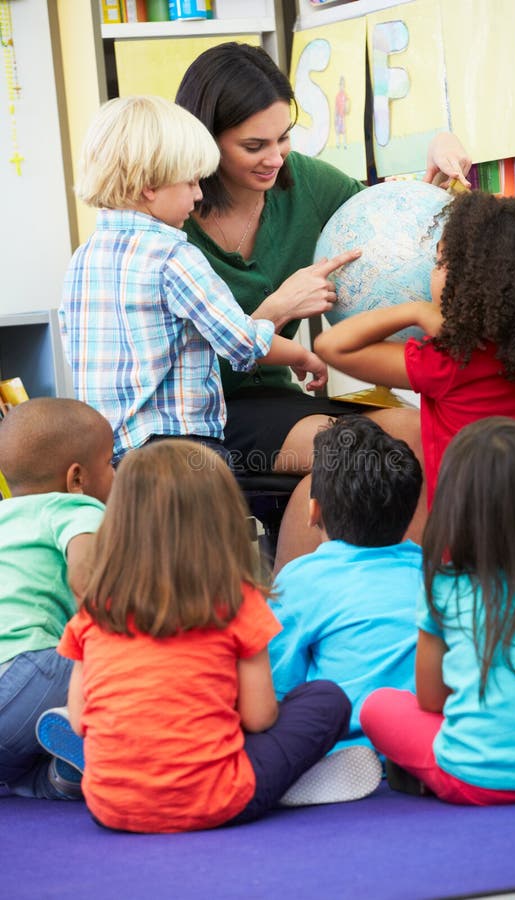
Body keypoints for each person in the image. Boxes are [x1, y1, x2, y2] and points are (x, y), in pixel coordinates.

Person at [174, 41, 472, 569]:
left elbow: (381, 226)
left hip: (280, 401)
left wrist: (434, 169)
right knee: (356, 457)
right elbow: (177, 364)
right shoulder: (171, 213)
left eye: (284, 137)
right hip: (205, 412)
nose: (276, 158)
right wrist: (277, 308)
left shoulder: (304, 183)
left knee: (415, 438)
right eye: (254, 145)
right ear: (205, 142)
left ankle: (413, 610)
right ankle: (301, 622)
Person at [34, 439, 375, 834]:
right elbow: (260, 716)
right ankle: (280, 778)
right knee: (325, 699)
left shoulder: (96, 609)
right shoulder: (236, 600)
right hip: (217, 799)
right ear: (223, 518)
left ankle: (131, 747)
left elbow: (78, 720)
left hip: (110, 806)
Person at [59, 94, 330, 467]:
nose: (200, 193)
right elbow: (242, 341)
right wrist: (302, 355)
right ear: (149, 186)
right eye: (190, 182)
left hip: (111, 457)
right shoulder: (173, 256)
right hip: (180, 454)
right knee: (202, 528)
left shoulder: (83, 258)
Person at [315, 190, 515, 525]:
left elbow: (332, 345)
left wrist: (415, 310)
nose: (429, 272)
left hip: (481, 541)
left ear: (472, 283)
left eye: (438, 261)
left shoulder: (450, 361)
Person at [360, 417, 515, 805]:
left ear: (458, 506)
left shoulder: (444, 587)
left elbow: (431, 700)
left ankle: (424, 772)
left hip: (474, 778)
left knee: (380, 705)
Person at [269, 415, 423, 765]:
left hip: (337, 747)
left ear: (313, 511)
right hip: (416, 739)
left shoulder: (299, 580)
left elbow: (277, 687)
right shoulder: (433, 573)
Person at [0, 397, 113, 800]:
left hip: (10, 707)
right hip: (28, 673)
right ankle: (79, 726)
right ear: (77, 477)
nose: (114, 472)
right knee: (131, 656)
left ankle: (63, 771)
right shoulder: (73, 506)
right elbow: (89, 577)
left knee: (15, 777)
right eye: (110, 461)